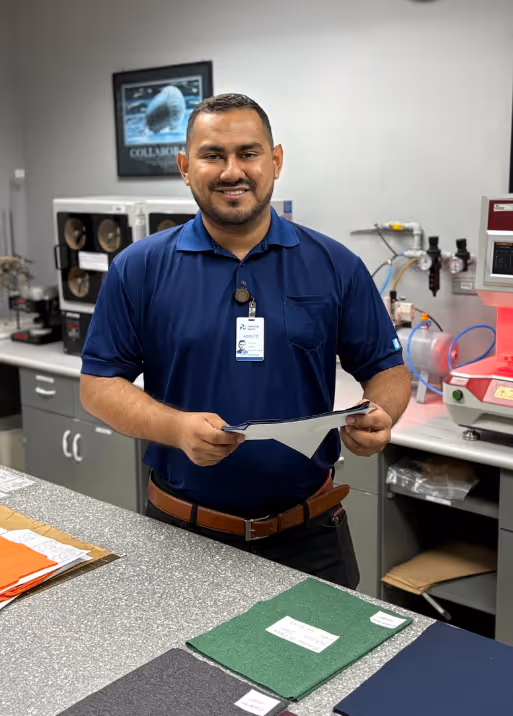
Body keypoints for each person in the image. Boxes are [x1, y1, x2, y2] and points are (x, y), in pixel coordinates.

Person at [80, 93, 411, 589]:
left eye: (248, 153)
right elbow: (99, 385)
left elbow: (387, 371)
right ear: (185, 167)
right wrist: (176, 428)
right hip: (180, 536)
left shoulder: (335, 265)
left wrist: (381, 417)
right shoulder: (140, 268)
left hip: (309, 538)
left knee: (330, 668)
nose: (232, 170)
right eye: (213, 155)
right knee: (178, 670)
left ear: (275, 161)